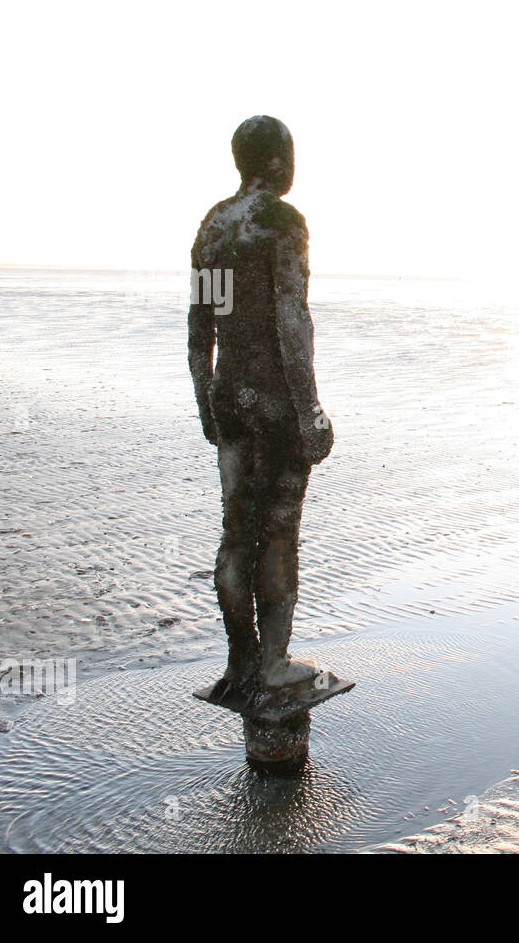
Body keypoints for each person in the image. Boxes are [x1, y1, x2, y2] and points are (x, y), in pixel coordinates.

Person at [189, 116, 333, 693]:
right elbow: (291, 320)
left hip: (230, 396)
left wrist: (207, 401)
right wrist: (311, 412)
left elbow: (203, 326)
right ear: (275, 161)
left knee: (233, 533)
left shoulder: (215, 227)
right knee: (277, 531)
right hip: (273, 398)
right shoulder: (280, 222)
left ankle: (238, 663)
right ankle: (272, 662)